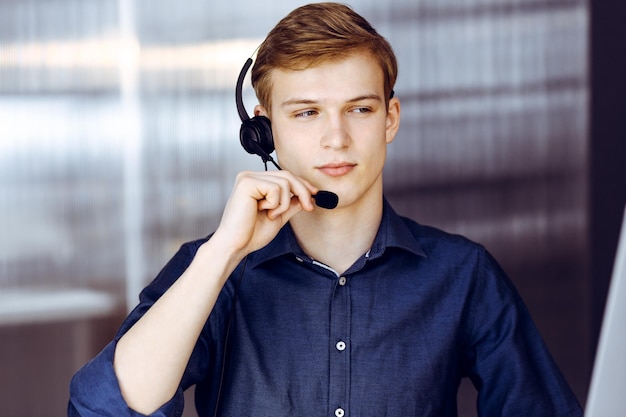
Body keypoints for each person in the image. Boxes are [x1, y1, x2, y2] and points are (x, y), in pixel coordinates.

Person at [68, 3, 583, 416]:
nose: (336, 138)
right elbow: (105, 408)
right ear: (263, 132)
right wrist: (223, 253)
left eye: (359, 109)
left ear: (390, 119)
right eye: (307, 113)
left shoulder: (463, 274)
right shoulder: (214, 268)